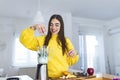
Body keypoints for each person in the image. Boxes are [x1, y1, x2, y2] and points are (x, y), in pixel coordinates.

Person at [19, 14, 79, 78]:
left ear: (61, 26)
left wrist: (75, 53)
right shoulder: (42, 40)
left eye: (57, 25)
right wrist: (34, 27)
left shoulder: (66, 41)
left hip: (62, 78)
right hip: (46, 77)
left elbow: (70, 61)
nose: (53, 27)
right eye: (51, 24)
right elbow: (24, 40)